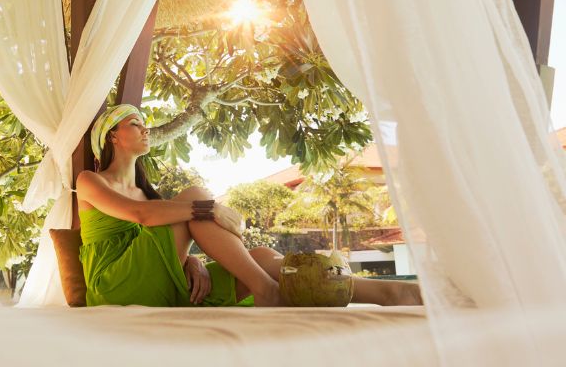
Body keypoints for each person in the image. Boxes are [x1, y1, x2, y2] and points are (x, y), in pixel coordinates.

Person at [75, 104, 423, 308]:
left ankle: (388, 292)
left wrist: (192, 260)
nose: (146, 129)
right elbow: (141, 216)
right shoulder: (90, 181)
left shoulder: (150, 195)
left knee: (261, 256)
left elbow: (161, 238)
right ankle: (267, 292)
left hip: (160, 284)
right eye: (135, 123)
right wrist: (209, 209)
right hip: (115, 287)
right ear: (112, 136)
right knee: (195, 195)